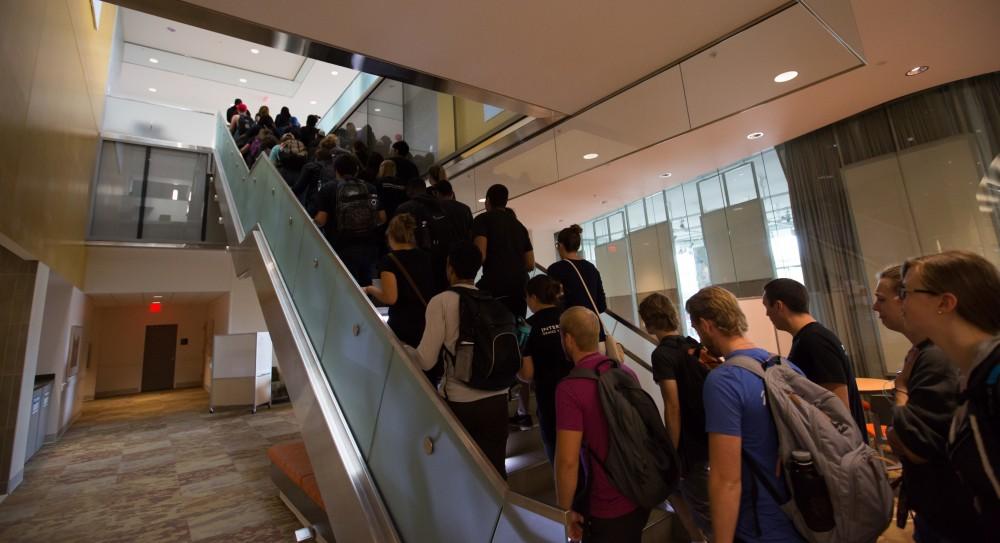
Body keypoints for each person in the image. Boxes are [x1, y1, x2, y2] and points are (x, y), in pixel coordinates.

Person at [690, 286, 803, 543]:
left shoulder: (724, 381)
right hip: (801, 515)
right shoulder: (785, 366)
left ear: (707, 325)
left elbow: (726, 479)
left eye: (696, 329)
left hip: (758, 525)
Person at [871, 264, 976, 541]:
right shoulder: (923, 353)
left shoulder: (937, 357)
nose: (874, 307)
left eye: (883, 299)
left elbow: (912, 446)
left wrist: (902, 390)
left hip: (953, 516)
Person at [900, 250, 1000, 538]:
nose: (899, 301)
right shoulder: (969, 373)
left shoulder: (994, 375)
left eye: (906, 292)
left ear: (945, 302)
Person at [413, 240, 510, 477]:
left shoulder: (442, 302)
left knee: (463, 475)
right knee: (497, 475)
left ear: (450, 267)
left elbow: (425, 360)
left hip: (462, 403)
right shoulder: (491, 301)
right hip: (498, 400)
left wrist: (403, 348)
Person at [555, 306, 648, 543]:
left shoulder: (570, 389)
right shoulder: (625, 371)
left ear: (568, 339)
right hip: (639, 493)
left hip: (605, 506)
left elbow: (567, 461)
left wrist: (564, 511)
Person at [638, 293, 711, 542]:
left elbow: (672, 406)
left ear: (648, 322)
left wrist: (672, 450)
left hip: (689, 446)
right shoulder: (692, 345)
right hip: (707, 434)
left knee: (702, 509)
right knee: (676, 492)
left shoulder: (662, 355)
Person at [762, 278, 867, 440]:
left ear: (778, 306)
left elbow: (838, 409)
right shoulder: (810, 338)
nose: (766, 314)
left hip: (840, 450)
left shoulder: (814, 341)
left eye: (766, 306)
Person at [364, 214, 441, 377]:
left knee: (403, 372)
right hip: (426, 321)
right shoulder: (425, 257)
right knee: (427, 371)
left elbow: (390, 297)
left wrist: (370, 289)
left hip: (403, 324)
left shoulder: (389, 261)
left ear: (391, 235)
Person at [517, 275, 573, 462]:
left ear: (533, 297)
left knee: (557, 454)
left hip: (549, 399)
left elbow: (527, 374)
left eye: (527, 297)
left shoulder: (527, 327)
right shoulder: (569, 318)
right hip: (577, 393)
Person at [313, 153, 385, 286]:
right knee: (366, 283)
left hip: (341, 244)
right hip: (369, 244)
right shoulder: (370, 187)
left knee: (345, 284)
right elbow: (381, 218)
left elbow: (321, 220)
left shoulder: (328, 188)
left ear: (336, 170)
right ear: (357, 170)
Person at [472, 184, 534, 318]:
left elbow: (480, 255)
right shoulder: (519, 226)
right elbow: (530, 264)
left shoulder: (482, 219)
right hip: (519, 289)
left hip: (494, 288)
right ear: (505, 202)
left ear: (488, 201)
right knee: (516, 332)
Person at [397, 178, 457, 293]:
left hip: (415, 265)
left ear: (409, 191)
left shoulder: (405, 209)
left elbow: (399, 238)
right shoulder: (441, 206)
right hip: (441, 263)